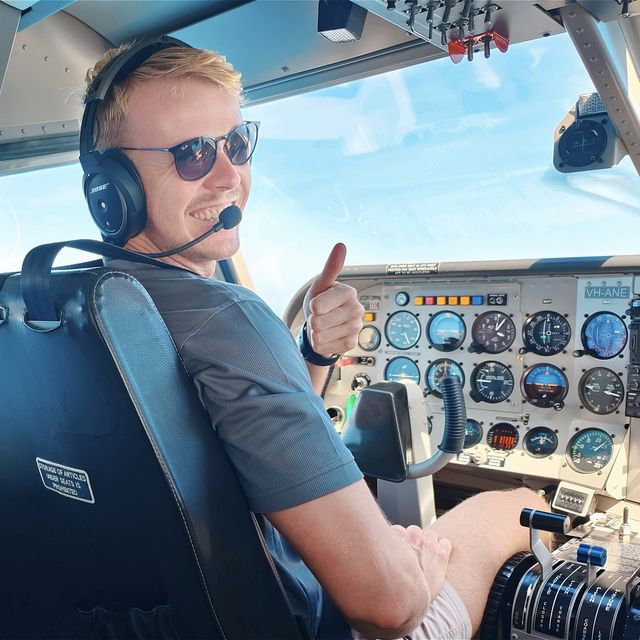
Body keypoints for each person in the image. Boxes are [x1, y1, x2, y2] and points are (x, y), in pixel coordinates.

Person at [83, 39, 549, 640]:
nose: (230, 175)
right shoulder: (227, 320)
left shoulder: (68, 308)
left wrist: (311, 355)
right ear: (111, 186)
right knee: (513, 503)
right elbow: (385, 607)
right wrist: (416, 576)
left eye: (236, 144)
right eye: (192, 153)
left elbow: (218, 451)